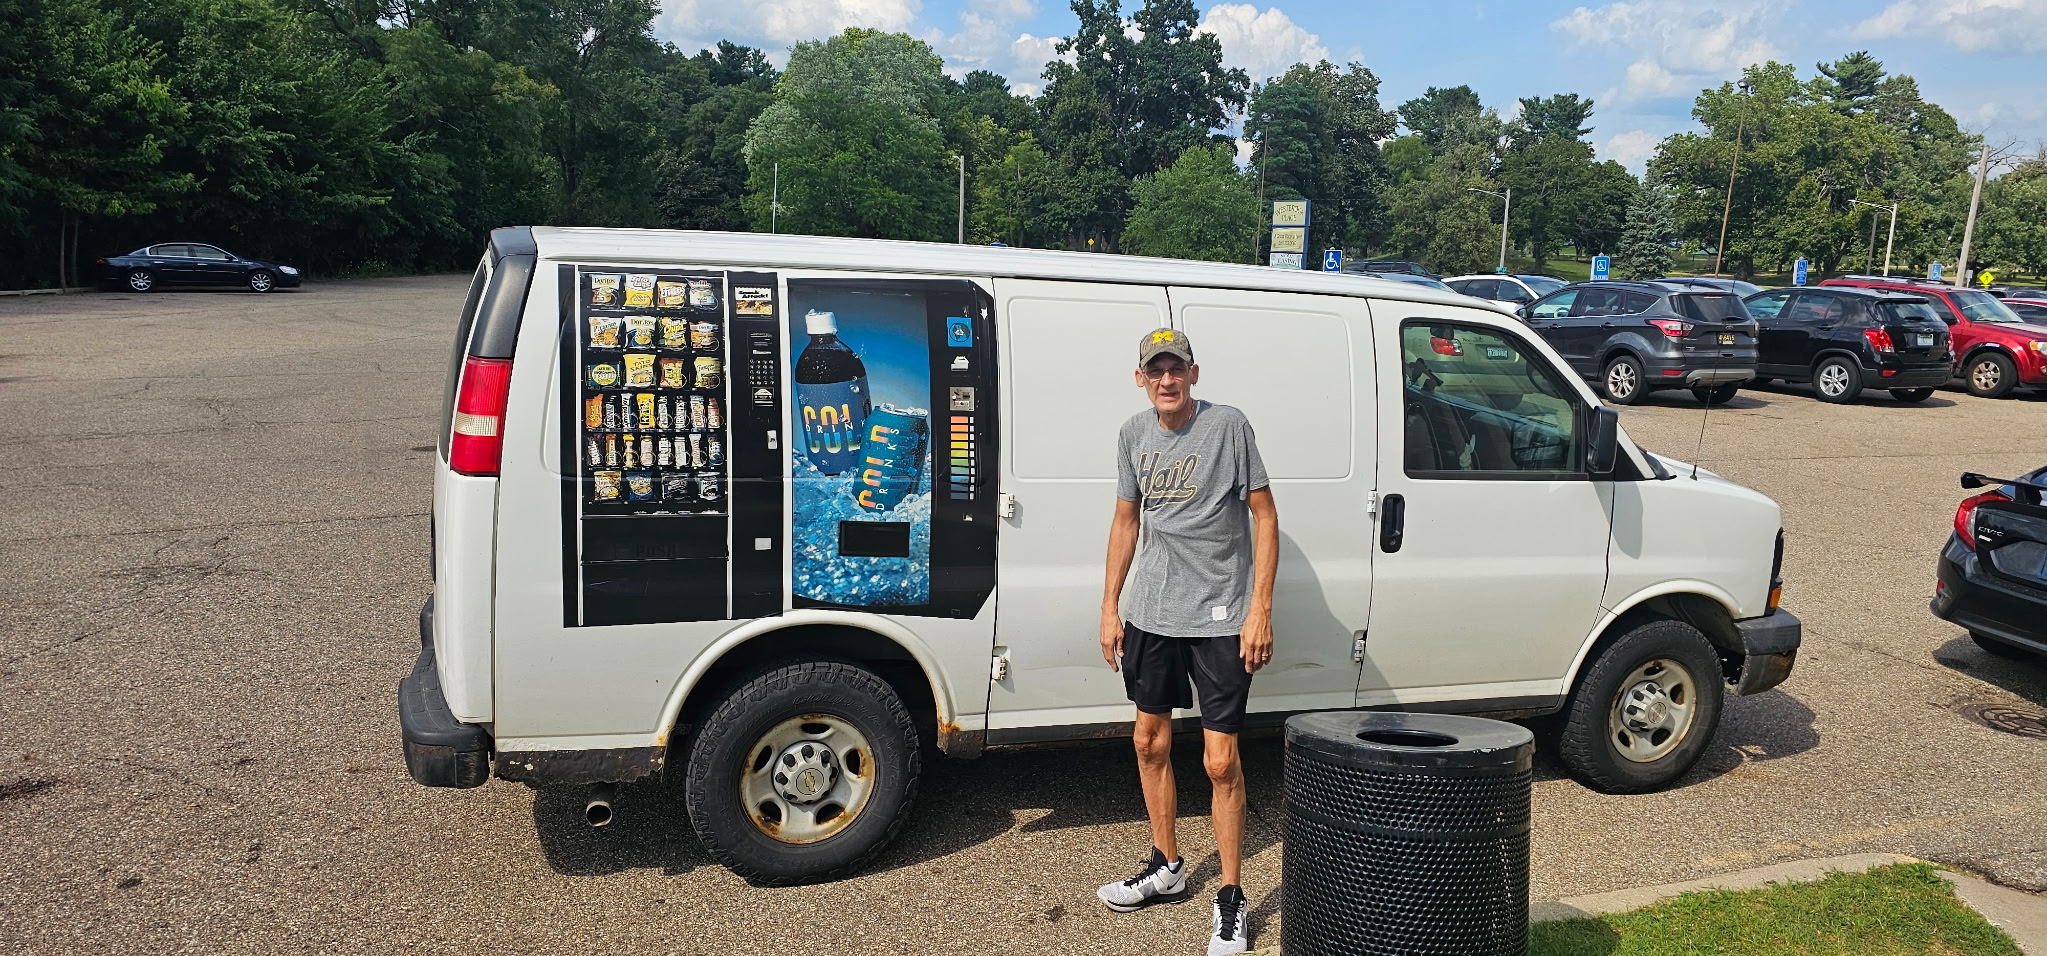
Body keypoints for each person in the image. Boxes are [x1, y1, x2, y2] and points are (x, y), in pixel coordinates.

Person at [1095, 328, 1278, 956]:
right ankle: (1167, 866)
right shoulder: (1132, 434)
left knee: (1221, 760)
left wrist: (1260, 609)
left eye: (1177, 369)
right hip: (1150, 614)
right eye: (1156, 371)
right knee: (1149, 742)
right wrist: (1109, 606)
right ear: (1141, 378)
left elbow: (1265, 515)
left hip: (1220, 618)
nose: (1166, 380)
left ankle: (1231, 898)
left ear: (1194, 374)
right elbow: (1125, 520)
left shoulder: (1229, 427)